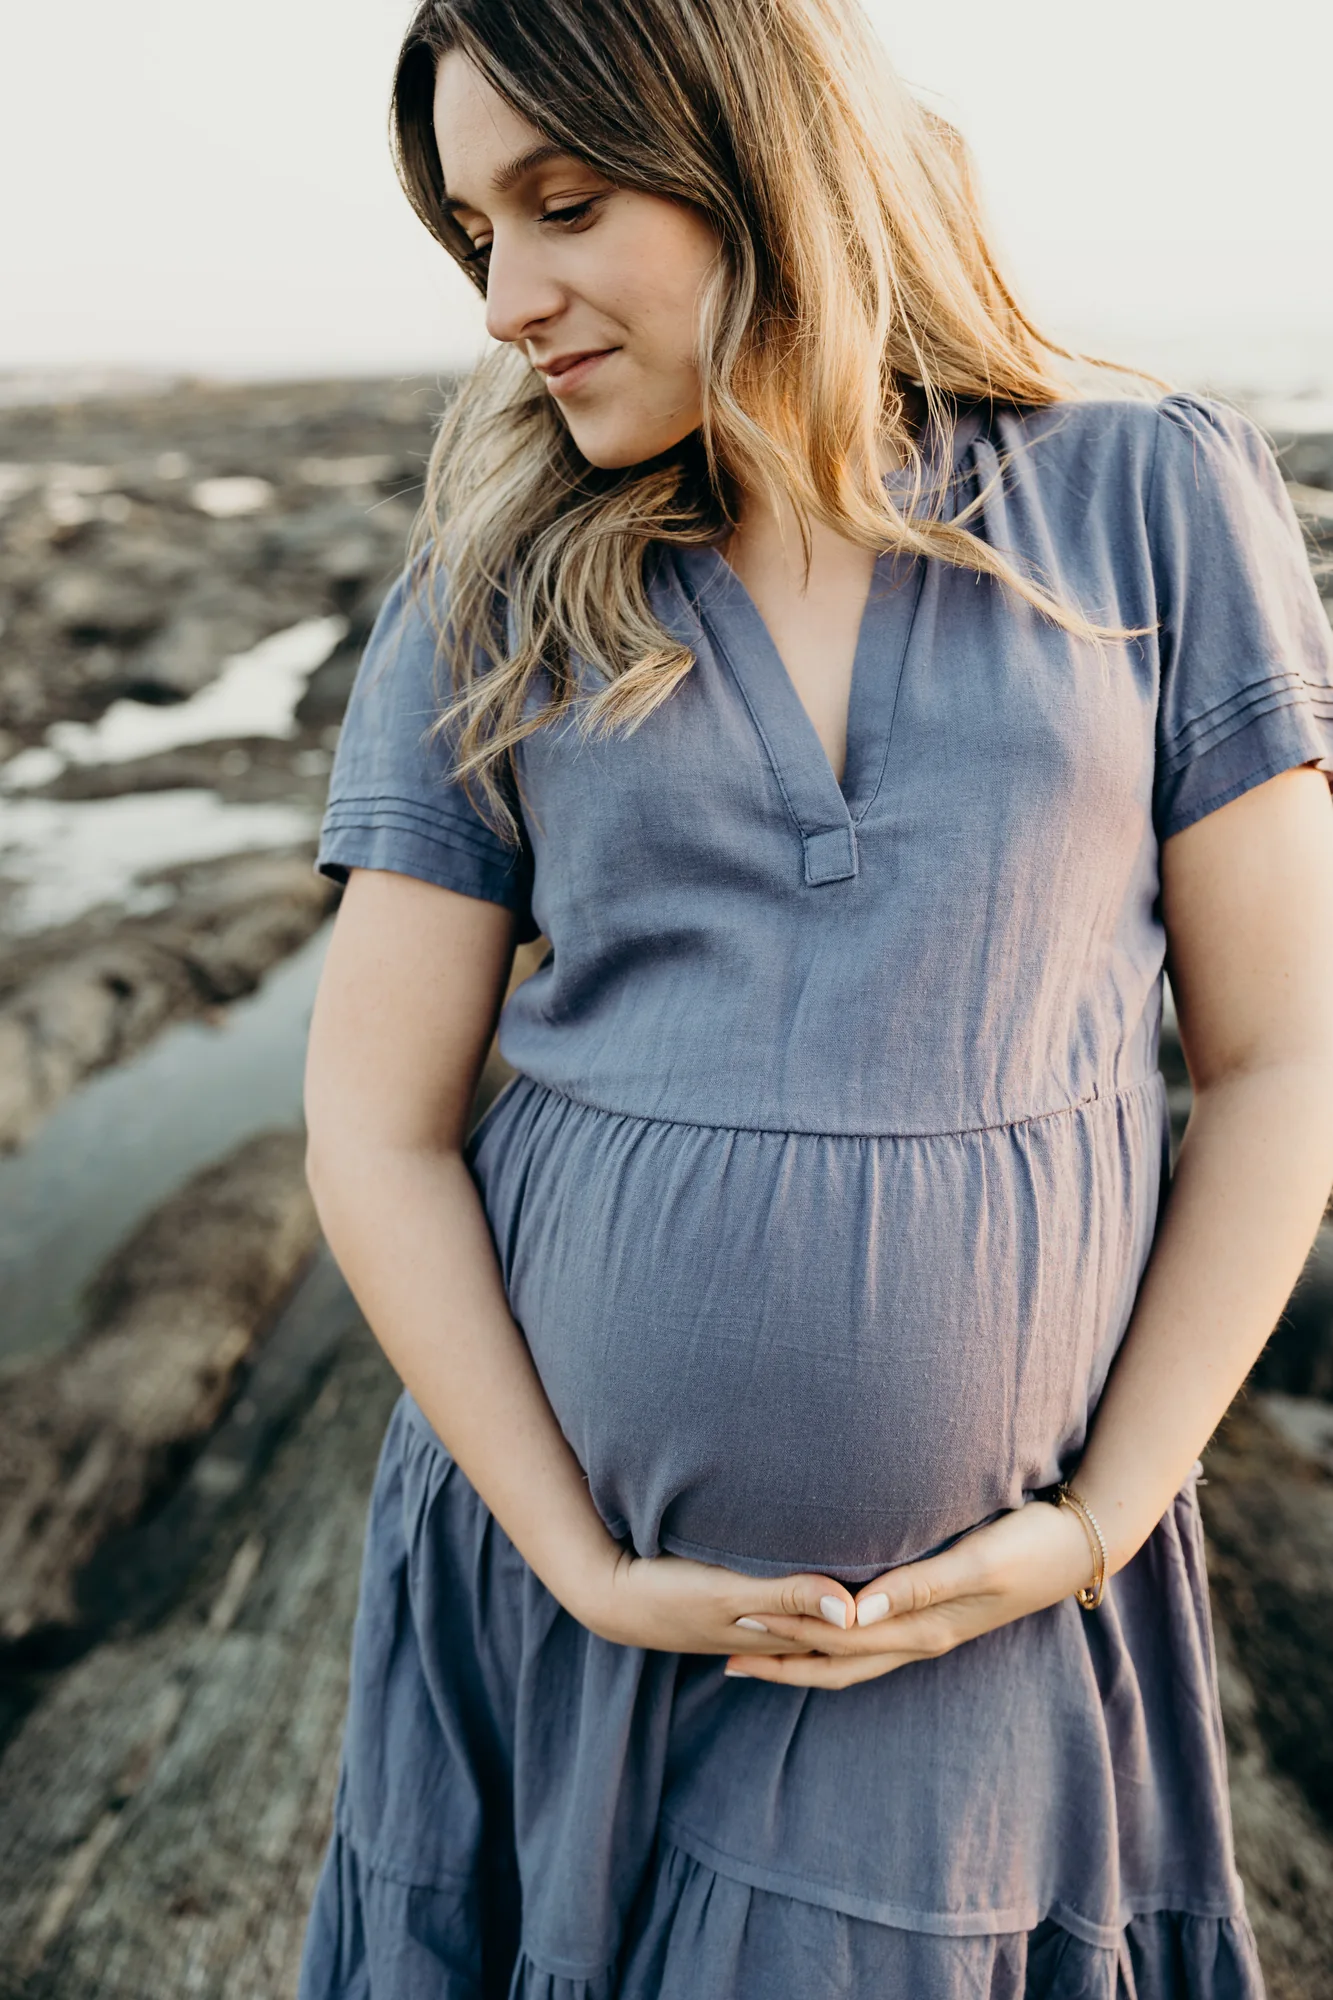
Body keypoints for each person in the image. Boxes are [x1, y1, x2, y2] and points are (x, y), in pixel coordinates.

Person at [296, 2, 1333, 1994]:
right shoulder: (496, 572)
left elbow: (1282, 1062)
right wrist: (579, 1562)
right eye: (473, 235)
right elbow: (376, 1118)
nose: (508, 296)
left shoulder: (1149, 490)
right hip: (552, 1592)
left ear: (760, 147)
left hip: (968, 1623)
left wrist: (1102, 1519)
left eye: (564, 203)